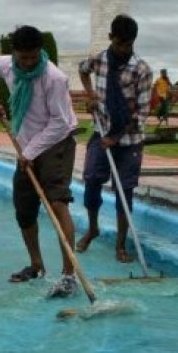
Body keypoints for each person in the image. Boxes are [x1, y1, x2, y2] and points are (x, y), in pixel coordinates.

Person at [0, 25, 79, 298]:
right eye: (24, 58)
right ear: (15, 54)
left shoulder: (53, 78)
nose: (29, 63)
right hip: (27, 145)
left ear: (40, 52)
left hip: (57, 143)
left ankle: (69, 276)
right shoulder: (6, 65)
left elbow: (59, 123)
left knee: (57, 202)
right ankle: (36, 265)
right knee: (24, 208)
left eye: (34, 57)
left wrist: (31, 152)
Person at [76, 14, 152, 263]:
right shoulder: (99, 60)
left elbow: (141, 115)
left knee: (125, 191)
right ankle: (92, 228)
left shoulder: (141, 69)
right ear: (111, 38)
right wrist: (90, 96)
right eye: (120, 44)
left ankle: (120, 245)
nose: (123, 49)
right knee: (91, 181)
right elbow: (82, 70)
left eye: (128, 45)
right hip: (101, 131)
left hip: (129, 140)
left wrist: (116, 137)